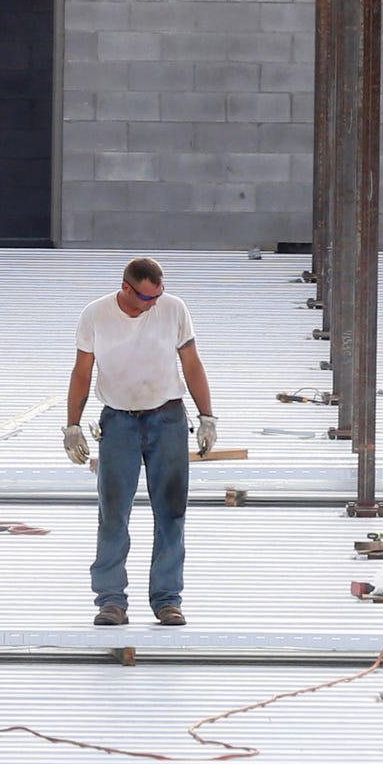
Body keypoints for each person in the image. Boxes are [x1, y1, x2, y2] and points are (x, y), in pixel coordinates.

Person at [64, 256, 219, 627]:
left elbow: (192, 364)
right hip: (119, 422)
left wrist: (207, 416)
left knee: (171, 513)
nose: (154, 304)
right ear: (126, 288)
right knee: (113, 514)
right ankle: (111, 601)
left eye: (158, 295)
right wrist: (72, 425)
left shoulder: (173, 309)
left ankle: (167, 599)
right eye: (147, 298)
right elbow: (82, 372)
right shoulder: (96, 315)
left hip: (166, 418)